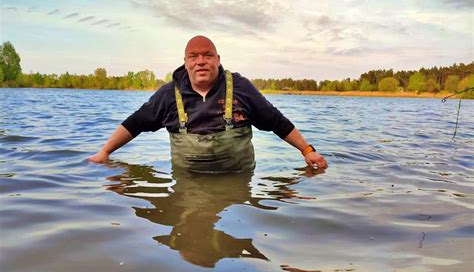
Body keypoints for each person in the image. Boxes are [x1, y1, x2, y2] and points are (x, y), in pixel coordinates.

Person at [89, 35, 328, 173]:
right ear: (185, 62)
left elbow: (276, 121)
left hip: (238, 179)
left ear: (218, 59)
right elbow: (135, 123)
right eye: (194, 57)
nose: (201, 61)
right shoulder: (168, 95)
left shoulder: (241, 88)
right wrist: (105, 152)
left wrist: (307, 151)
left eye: (207, 55)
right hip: (187, 183)